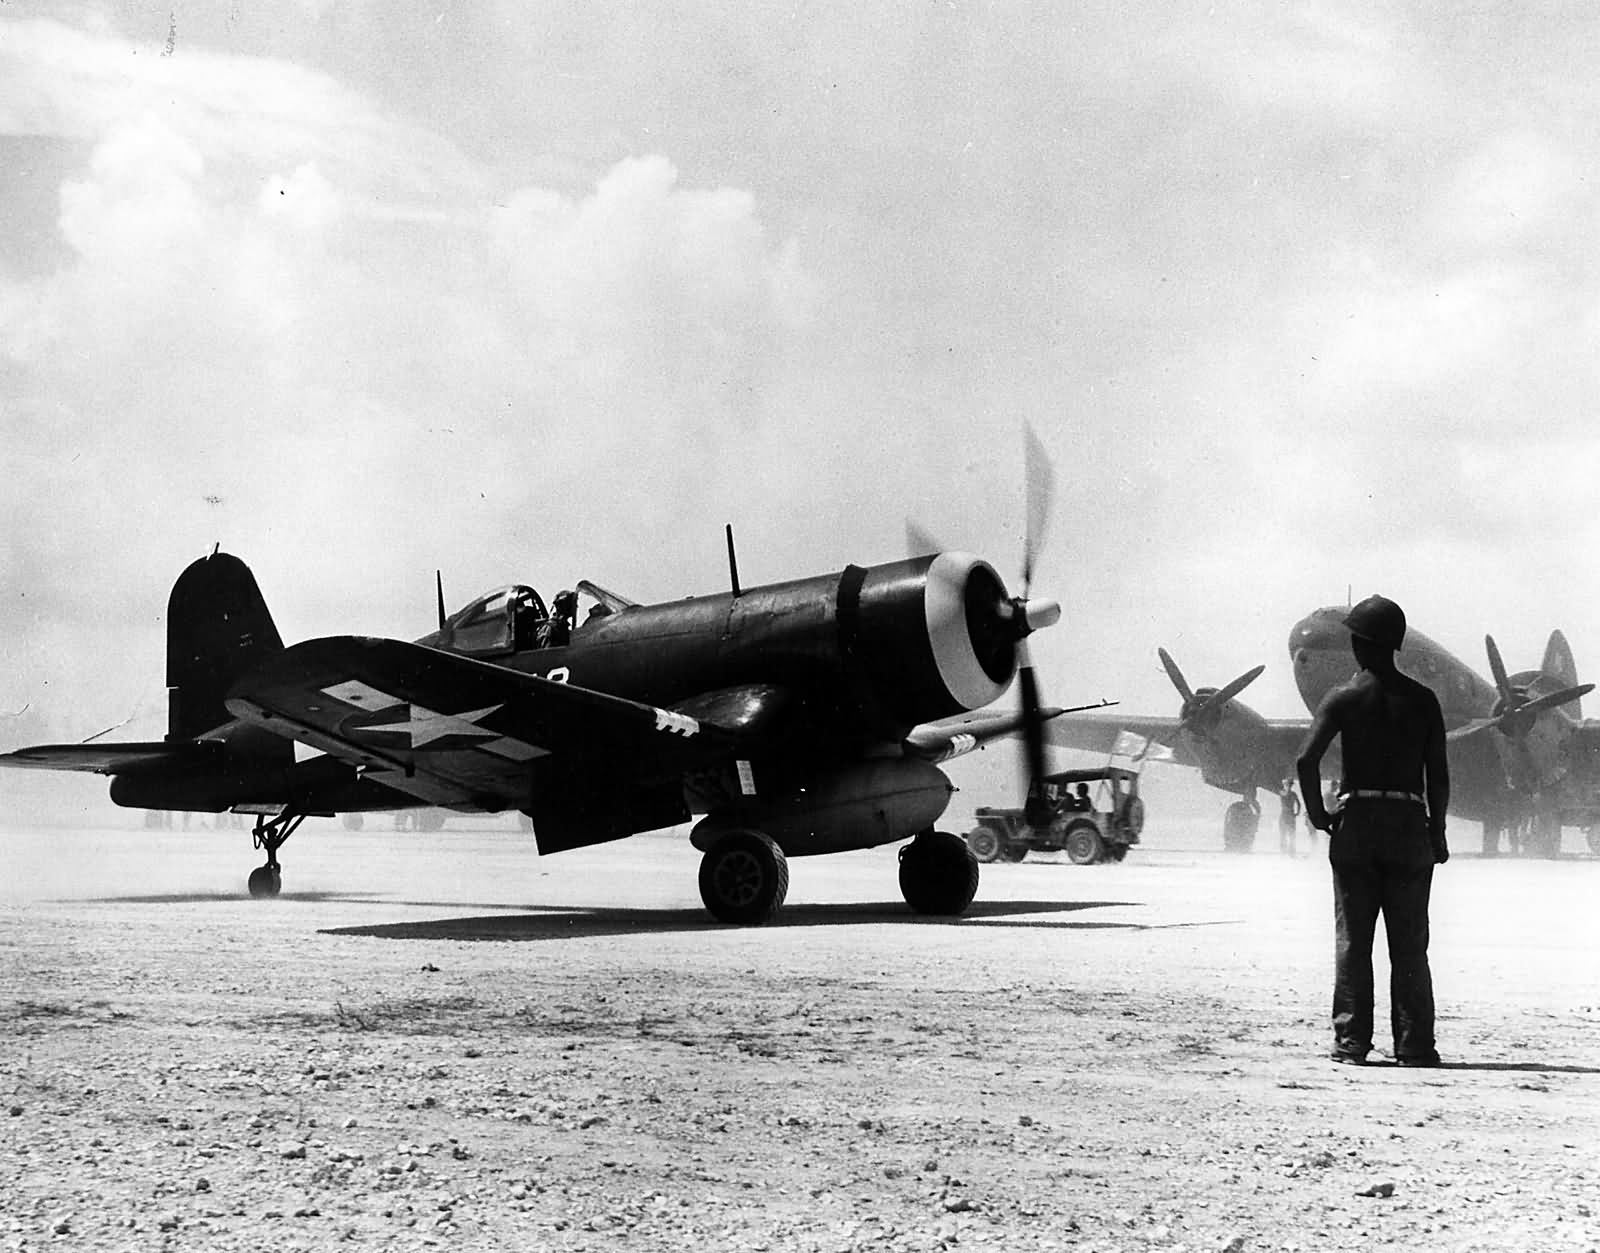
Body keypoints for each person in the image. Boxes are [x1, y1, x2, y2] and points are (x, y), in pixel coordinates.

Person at [1296, 594, 1449, 1068]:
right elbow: (1438, 775)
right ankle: (1415, 1046)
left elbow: (1306, 760)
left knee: (1353, 943)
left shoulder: (1343, 698)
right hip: (1408, 829)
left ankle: (1351, 1043)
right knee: (1409, 946)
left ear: (1360, 645)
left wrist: (1321, 817)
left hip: (1357, 828)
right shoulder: (1423, 701)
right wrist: (1437, 832)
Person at [1278, 783, 1302, 856]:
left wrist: (1297, 812)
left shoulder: (1286, 793)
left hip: (1287, 815)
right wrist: (1297, 812)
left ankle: (1289, 851)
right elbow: (1298, 804)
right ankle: (1286, 851)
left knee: (1289, 834)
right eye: (1288, 785)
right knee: (1285, 834)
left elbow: (1298, 804)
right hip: (1287, 815)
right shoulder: (1289, 794)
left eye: (1289, 785)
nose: (1289, 786)